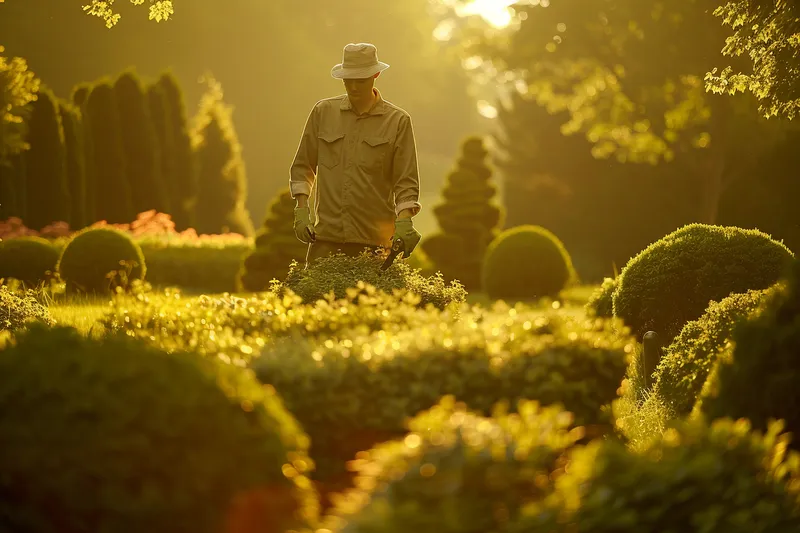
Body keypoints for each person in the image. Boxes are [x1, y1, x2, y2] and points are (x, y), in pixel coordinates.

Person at [289, 42, 422, 268]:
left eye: (360, 80)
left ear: (376, 75)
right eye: (348, 79)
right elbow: (303, 166)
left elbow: (405, 181)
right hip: (326, 240)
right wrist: (301, 209)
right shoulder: (323, 113)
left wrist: (405, 221)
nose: (353, 86)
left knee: (374, 304)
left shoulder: (397, 121)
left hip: (375, 243)